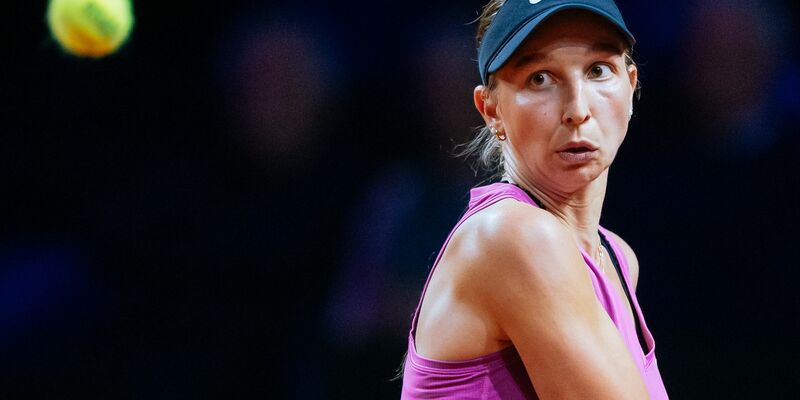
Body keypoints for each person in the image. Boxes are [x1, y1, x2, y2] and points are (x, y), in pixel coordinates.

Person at [400, 1, 669, 398]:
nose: (577, 109)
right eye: (540, 78)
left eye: (598, 70)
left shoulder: (617, 258)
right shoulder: (513, 236)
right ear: (490, 109)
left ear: (630, 87)